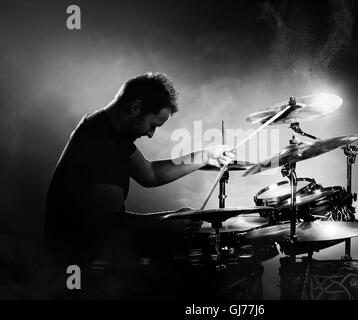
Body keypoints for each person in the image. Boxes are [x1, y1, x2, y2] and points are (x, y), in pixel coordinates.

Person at [44, 72, 234, 298]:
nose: (151, 134)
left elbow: (149, 173)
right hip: (80, 266)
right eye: (153, 125)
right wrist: (168, 222)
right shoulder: (99, 141)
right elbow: (108, 224)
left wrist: (204, 156)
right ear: (135, 107)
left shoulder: (109, 130)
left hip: (93, 255)